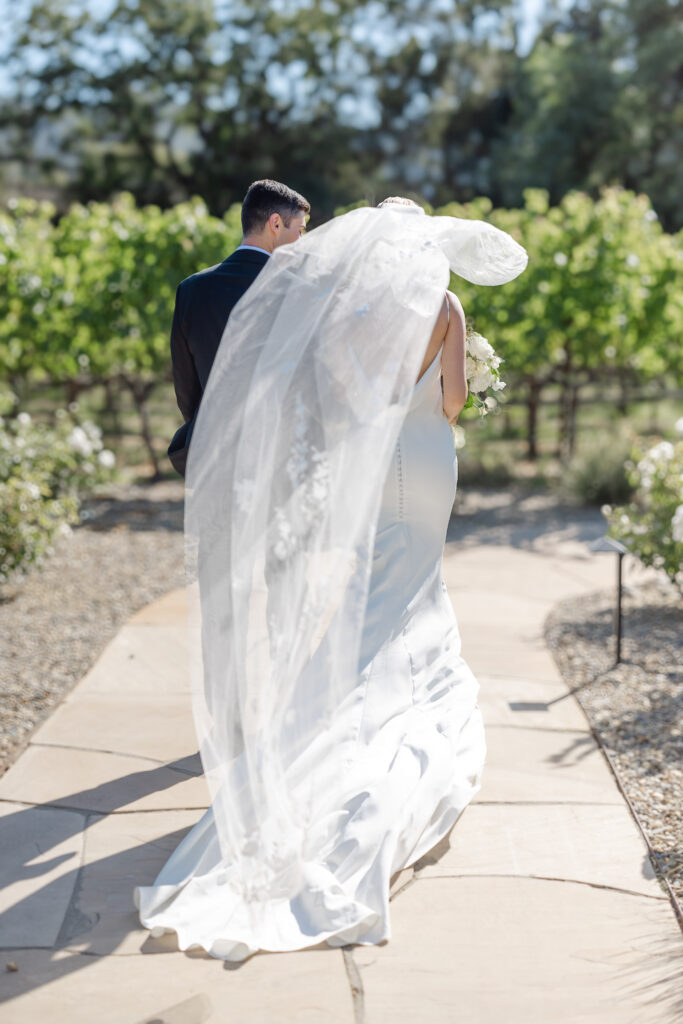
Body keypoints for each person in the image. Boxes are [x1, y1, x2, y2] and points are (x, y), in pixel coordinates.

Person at [134, 196, 528, 960]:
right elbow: (450, 403)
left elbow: (340, 398)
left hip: (373, 461)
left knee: (371, 582)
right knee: (418, 583)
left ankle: (326, 721)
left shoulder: (352, 310)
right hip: (427, 456)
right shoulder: (443, 303)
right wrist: (457, 373)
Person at [166, 179, 310, 477]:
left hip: (214, 459)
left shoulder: (191, 289)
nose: (302, 240)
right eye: (300, 229)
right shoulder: (300, 291)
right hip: (280, 460)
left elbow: (186, 384)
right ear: (275, 223)